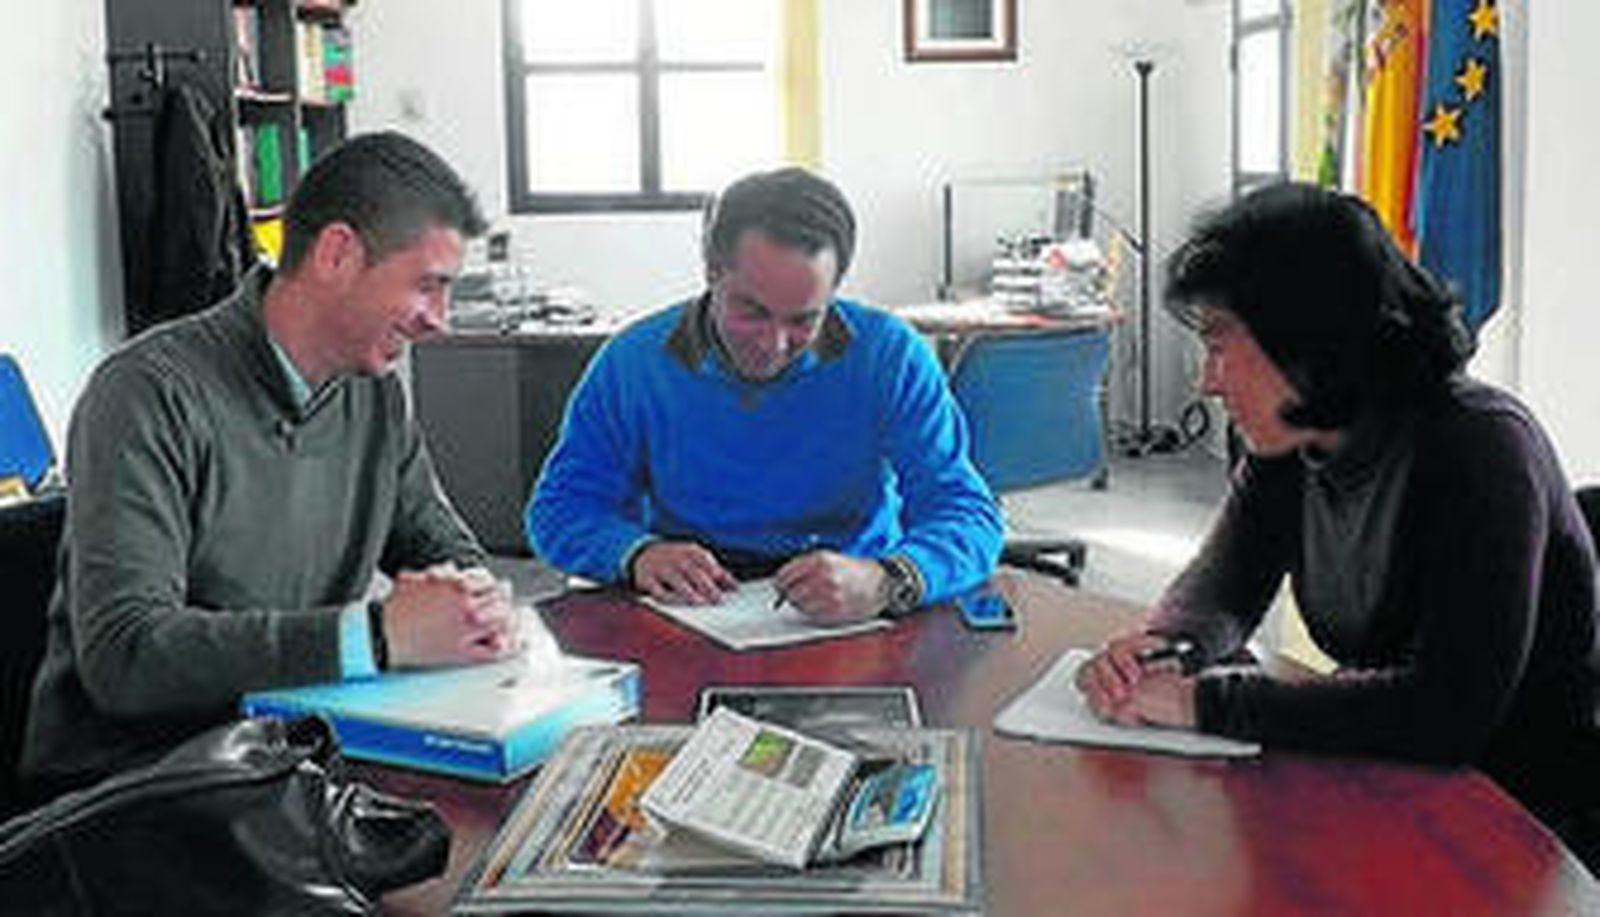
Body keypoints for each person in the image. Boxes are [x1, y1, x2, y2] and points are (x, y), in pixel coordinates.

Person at [1075, 182, 1600, 871]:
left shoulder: (1480, 446)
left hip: (1522, 825)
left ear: (1304, 338)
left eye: (1218, 344)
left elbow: (1446, 711)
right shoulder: (1293, 436)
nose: (1206, 382)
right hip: (1390, 784)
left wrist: (1209, 703)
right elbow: (1225, 588)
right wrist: (1162, 648)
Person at [23, 132, 517, 789]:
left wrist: (476, 601)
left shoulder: (372, 394)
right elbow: (127, 656)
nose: (442, 320)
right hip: (136, 789)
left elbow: (440, 545)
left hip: (287, 757)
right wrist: (372, 636)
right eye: (428, 286)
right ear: (337, 252)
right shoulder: (147, 392)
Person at [527, 167, 1002, 622]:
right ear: (712, 273)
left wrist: (888, 579)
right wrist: (636, 554)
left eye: (803, 320)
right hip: (693, 603)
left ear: (835, 292)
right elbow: (560, 510)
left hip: (853, 599)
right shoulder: (633, 362)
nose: (773, 344)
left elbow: (966, 513)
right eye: (751, 311)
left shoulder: (890, 355)